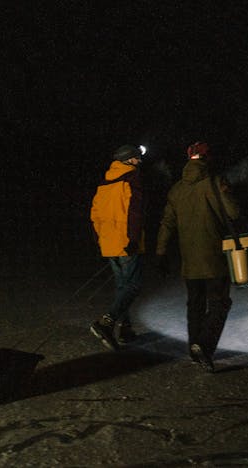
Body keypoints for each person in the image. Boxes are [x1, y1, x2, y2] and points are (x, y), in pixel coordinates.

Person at [155, 141, 239, 372]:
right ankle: (204, 345)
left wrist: (161, 251)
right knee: (220, 303)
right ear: (207, 158)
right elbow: (234, 212)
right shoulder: (215, 182)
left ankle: (194, 348)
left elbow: (167, 224)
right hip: (214, 259)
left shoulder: (176, 189)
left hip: (189, 262)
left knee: (195, 304)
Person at [89, 144, 146, 351]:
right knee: (133, 285)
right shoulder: (132, 178)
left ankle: (125, 329)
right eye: (136, 158)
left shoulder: (104, 182)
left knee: (123, 287)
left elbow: (94, 214)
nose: (139, 161)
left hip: (109, 242)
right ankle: (107, 322)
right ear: (128, 160)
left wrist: (100, 239)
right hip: (126, 242)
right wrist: (132, 239)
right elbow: (135, 211)